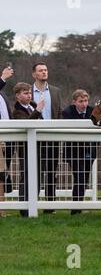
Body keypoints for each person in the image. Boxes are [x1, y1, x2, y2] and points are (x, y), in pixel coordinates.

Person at [31, 63, 62, 213]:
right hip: (33, 137)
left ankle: (50, 206)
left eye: (45, 70)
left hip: (52, 136)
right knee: (34, 171)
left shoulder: (55, 92)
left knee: (51, 172)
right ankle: (32, 204)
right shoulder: (28, 91)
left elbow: (59, 113)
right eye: (40, 70)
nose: (44, 72)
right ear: (34, 74)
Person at [12, 82, 44, 217]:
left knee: (37, 176)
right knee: (26, 176)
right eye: (25, 93)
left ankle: (33, 205)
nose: (29, 95)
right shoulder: (17, 110)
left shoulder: (32, 106)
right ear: (17, 96)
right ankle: (24, 208)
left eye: (30, 93)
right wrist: (38, 111)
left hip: (37, 145)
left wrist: (37, 110)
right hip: (25, 148)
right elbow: (26, 124)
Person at [62, 90, 97, 215]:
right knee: (80, 178)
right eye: (81, 101)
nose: (84, 104)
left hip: (89, 151)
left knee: (84, 179)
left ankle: (78, 206)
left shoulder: (93, 111)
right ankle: (75, 208)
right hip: (74, 152)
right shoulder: (67, 112)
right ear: (74, 102)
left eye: (86, 101)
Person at [0, 65, 16, 197]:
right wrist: (3, 78)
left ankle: (2, 208)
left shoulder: (2, 93)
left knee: (3, 173)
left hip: (7, 137)